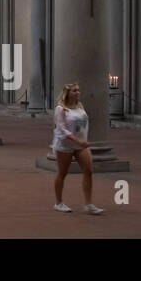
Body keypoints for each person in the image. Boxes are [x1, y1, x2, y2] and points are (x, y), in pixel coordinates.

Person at [51, 82, 103, 215]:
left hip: (80, 145)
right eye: (74, 91)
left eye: (78, 90)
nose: (78, 93)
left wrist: (83, 139)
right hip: (65, 145)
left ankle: (89, 204)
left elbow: (83, 125)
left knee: (88, 170)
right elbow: (61, 129)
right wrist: (77, 140)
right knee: (62, 173)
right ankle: (58, 203)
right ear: (67, 93)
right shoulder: (61, 109)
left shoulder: (80, 106)